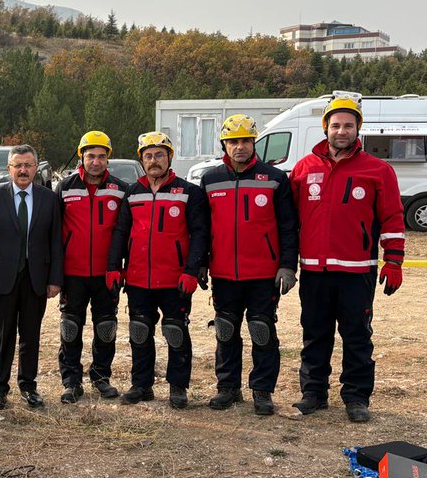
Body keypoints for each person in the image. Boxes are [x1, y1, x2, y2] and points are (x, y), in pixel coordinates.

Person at [289, 94, 405, 423]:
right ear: (325, 127)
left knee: (356, 335)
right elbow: (289, 219)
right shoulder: (304, 168)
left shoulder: (378, 170)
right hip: (314, 269)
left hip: (357, 271)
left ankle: (356, 396)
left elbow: (393, 218)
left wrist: (393, 261)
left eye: (349, 125)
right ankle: (313, 392)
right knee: (314, 332)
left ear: (358, 129)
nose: (342, 131)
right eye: (336, 124)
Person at [201, 115, 298, 416]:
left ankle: (262, 390)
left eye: (245, 141)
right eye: (233, 141)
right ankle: (227, 388)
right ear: (224, 145)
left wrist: (287, 266)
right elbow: (203, 228)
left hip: (263, 274)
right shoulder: (210, 179)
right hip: (224, 272)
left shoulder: (275, 178)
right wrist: (202, 263)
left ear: (254, 142)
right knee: (226, 331)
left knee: (261, 330)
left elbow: (288, 226)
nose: (239, 147)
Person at [107, 132, 209, 408]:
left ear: (169, 157)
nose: (154, 161)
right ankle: (142, 385)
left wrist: (192, 270)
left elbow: (200, 233)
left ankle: (178, 387)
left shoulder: (189, 192)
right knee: (139, 332)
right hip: (139, 278)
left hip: (175, 279)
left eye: (159, 155)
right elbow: (120, 232)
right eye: (148, 156)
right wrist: (113, 267)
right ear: (142, 160)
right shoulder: (132, 192)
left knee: (175, 332)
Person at [0, 145, 63, 409]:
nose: (23, 170)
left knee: (31, 335)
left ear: (36, 168)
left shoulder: (49, 199)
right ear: (9, 169)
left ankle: (28, 386)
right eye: (18, 165)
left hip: (36, 279)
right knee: (3, 336)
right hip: (2, 281)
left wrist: (54, 279)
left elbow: (55, 242)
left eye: (28, 165)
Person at [54, 131, 129, 403]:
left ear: (108, 159)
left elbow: (125, 234)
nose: (96, 162)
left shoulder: (121, 189)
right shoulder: (65, 188)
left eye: (101, 156)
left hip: (106, 273)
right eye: (90, 156)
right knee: (70, 328)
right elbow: (54, 233)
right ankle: (71, 381)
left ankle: (101, 377)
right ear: (81, 157)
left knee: (105, 327)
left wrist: (120, 268)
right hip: (72, 274)